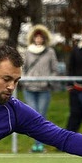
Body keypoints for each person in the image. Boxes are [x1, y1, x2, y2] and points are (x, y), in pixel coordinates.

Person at [22, 24, 58, 153]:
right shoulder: (27, 51)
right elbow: (23, 68)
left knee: (41, 117)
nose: (38, 39)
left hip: (44, 89)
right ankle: (36, 144)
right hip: (29, 88)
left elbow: (54, 69)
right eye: (36, 37)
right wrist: (26, 80)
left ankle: (40, 144)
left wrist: (48, 80)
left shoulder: (50, 52)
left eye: (40, 37)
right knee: (33, 115)